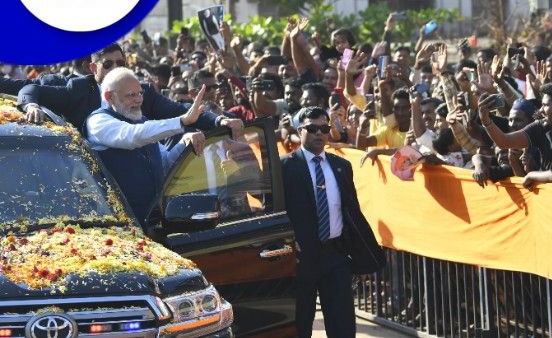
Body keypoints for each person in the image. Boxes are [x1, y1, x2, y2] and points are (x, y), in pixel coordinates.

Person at [280, 106, 384, 338]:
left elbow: (352, 213)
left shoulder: (341, 166)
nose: (319, 133)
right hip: (300, 258)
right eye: (313, 128)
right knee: (300, 325)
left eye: (324, 128)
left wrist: (360, 255)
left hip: (335, 255)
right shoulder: (284, 167)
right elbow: (273, 209)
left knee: (343, 326)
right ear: (300, 130)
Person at [17, 43, 242, 137]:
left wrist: (219, 121)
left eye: (121, 63)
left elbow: (180, 110)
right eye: (108, 64)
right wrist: (32, 105)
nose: (115, 69)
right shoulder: (78, 89)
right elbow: (30, 89)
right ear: (92, 68)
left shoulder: (141, 91)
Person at [86, 67, 207, 225]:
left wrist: (185, 142)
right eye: (131, 95)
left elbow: (164, 164)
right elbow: (132, 136)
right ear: (110, 97)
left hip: (155, 222)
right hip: (121, 226)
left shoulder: (142, 123)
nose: (138, 100)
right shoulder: (98, 121)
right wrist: (181, 121)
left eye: (140, 93)